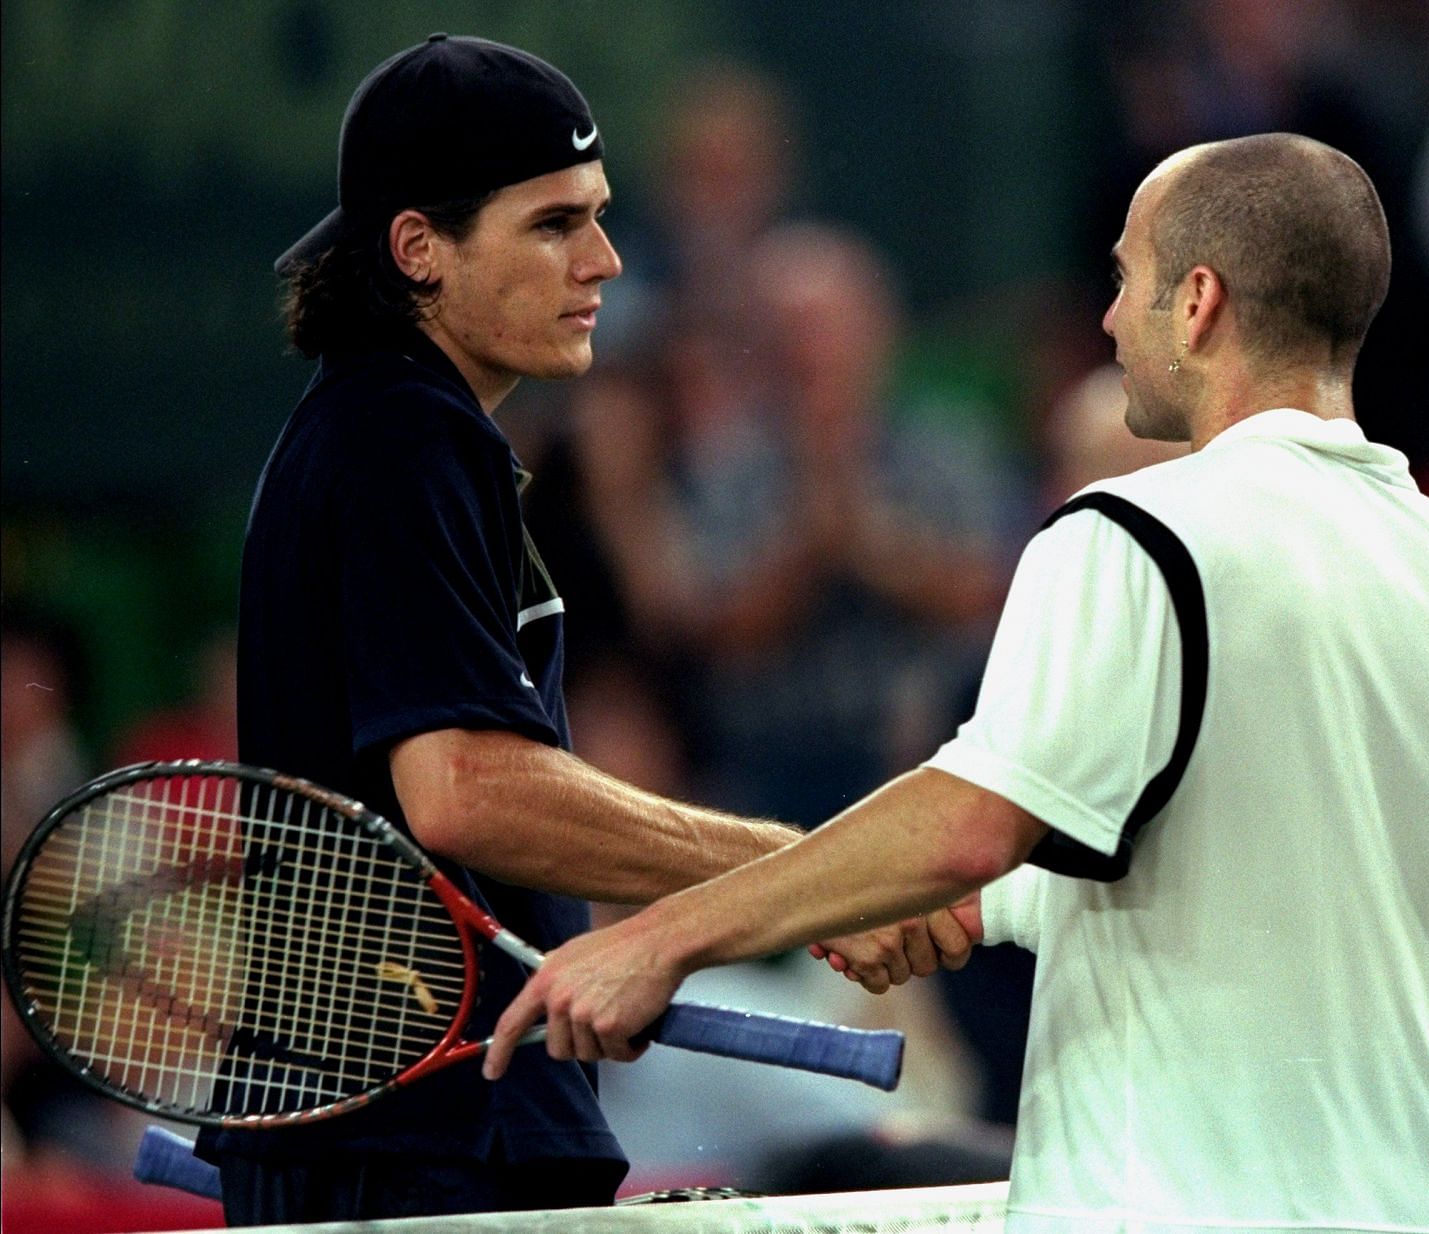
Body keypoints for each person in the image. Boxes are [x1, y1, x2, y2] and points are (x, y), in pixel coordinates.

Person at [488, 133, 1429, 1234]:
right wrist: (955, 903)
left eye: (1125, 279)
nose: (1104, 319)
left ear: (1197, 302)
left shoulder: (1131, 532)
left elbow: (965, 827)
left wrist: (657, 937)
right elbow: (1281, 883)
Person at [203, 34, 946, 1225]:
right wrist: (804, 876)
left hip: (420, 1119)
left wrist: (607, 948)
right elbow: (465, 790)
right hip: (410, 1138)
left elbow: (450, 823)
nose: (602, 260)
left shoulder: (394, 428)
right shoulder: (407, 439)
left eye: (599, 218)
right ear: (419, 250)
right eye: (553, 225)